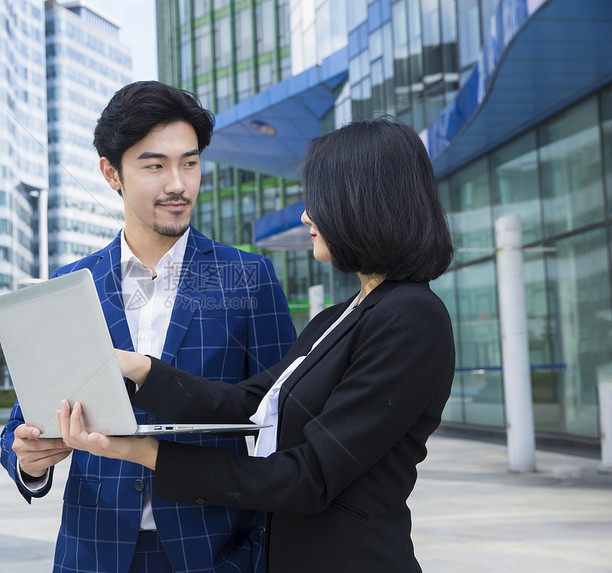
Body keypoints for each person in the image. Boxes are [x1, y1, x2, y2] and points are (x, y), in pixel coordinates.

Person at [58, 117, 456, 572]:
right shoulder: (342, 315)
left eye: (318, 199)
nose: (307, 214)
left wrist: (137, 450)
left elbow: (308, 477)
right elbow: (249, 402)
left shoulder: (411, 318)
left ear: (362, 203)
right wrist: (139, 369)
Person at [0, 81, 297, 573]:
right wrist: (28, 462)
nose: (177, 183)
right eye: (155, 165)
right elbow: (23, 421)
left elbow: (281, 424)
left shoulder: (248, 278)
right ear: (111, 173)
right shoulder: (69, 286)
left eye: (190, 162)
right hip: (92, 554)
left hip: (217, 553)